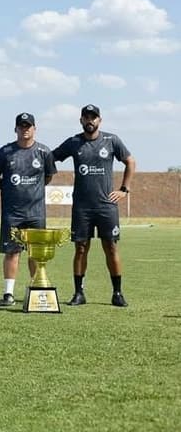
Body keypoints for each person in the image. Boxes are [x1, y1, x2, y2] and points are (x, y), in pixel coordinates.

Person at [52, 104, 135, 307]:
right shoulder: (74, 142)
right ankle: (79, 293)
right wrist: (42, 177)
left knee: (111, 247)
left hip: (107, 206)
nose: (90, 120)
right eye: (86, 117)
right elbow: (51, 158)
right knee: (81, 248)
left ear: (100, 120)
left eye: (94, 117)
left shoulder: (111, 140)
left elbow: (130, 161)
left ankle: (117, 293)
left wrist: (124, 189)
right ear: (81, 120)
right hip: (82, 207)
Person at [0, 113, 57, 306]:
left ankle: (37, 290)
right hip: (13, 212)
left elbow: (48, 177)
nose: (25, 129)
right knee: (12, 252)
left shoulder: (44, 152)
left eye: (28, 126)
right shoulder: (5, 152)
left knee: (36, 253)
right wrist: (8, 188)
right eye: (21, 126)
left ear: (35, 128)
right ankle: (8, 293)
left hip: (36, 212)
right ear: (15, 129)